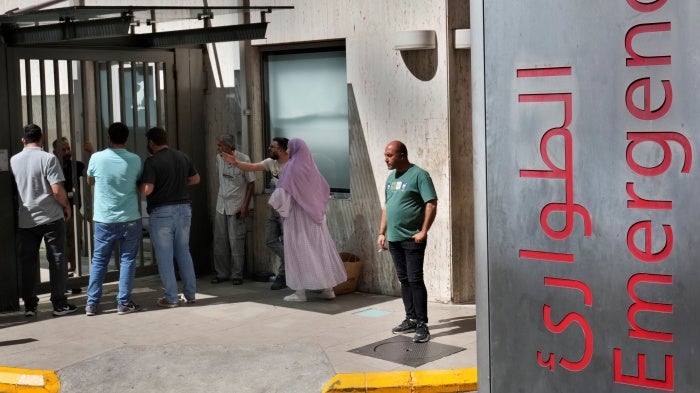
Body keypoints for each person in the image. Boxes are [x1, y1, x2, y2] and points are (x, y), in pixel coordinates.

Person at [10, 124, 77, 317]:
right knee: (56, 260)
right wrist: (66, 206)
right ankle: (59, 304)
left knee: (28, 263)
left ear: (23, 140)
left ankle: (30, 305)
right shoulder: (48, 159)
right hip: (51, 218)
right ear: (42, 137)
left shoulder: (14, 160)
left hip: (26, 220)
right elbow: (57, 190)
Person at [267, 138, 347, 302]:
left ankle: (300, 292)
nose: (288, 151)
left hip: (298, 218)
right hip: (315, 218)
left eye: (289, 148)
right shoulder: (312, 167)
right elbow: (324, 188)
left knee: (298, 253)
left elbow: (282, 194)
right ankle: (328, 289)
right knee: (319, 252)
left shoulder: (290, 167)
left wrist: (274, 203)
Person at [376, 140, 437, 343]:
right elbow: (387, 206)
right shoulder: (390, 178)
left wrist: (424, 230)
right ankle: (410, 318)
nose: (386, 159)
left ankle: (422, 324)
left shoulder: (419, 175)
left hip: (412, 238)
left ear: (402, 155)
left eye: (389, 155)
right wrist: (382, 232)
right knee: (404, 280)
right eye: (385, 155)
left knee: (415, 279)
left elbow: (431, 203)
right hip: (393, 239)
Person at [84, 122, 142, 316]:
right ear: (126, 139)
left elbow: (90, 181)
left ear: (109, 137)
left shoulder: (96, 158)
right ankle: (123, 303)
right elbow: (137, 182)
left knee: (99, 261)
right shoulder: (135, 159)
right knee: (127, 260)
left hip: (104, 219)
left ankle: (92, 304)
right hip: (130, 217)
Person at [139, 126, 200, 308]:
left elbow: (147, 189)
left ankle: (171, 297)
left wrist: (139, 186)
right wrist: (180, 183)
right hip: (184, 210)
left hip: (162, 212)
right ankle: (190, 294)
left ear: (151, 142)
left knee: (165, 256)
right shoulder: (182, 156)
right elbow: (196, 179)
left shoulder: (152, 161)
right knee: (183, 252)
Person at [221, 137, 289, 290]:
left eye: (272, 147)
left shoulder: (293, 164)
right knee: (270, 240)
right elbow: (252, 167)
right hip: (275, 208)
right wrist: (236, 162)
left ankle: (284, 275)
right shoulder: (271, 163)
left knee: (288, 243)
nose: (269, 148)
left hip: (290, 210)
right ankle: (292, 263)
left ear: (282, 150)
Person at [211, 134, 255, 285]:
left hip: (237, 205)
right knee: (220, 241)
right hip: (221, 205)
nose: (217, 148)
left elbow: (251, 184)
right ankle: (221, 273)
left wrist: (245, 206)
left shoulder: (244, 159)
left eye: (220, 145)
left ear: (228, 146)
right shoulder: (218, 158)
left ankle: (237, 274)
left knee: (236, 241)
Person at [52, 136, 95, 277]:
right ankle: (62, 275)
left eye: (68, 148)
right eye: (63, 149)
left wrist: (92, 154)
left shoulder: (76, 165)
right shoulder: (51, 165)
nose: (67, 152)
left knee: (74, 243)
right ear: (55, 151)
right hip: (55, 210)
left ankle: (74, 273)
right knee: (58, 245)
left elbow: (91, 179)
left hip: (74, 209)